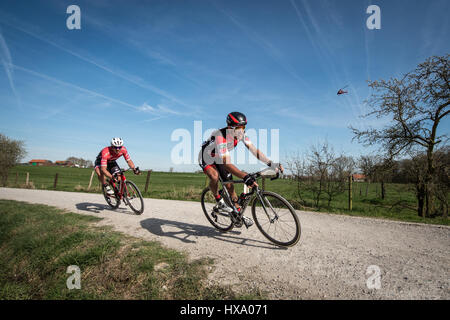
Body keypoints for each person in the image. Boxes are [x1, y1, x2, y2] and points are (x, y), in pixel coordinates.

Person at [198, 112, 283, 227]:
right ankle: (219, 200)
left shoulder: (241, 135)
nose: (241, 131)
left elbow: (254, 150)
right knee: (214, 176)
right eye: (239, 128)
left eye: (243, 127)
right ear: (230, 128)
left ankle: (238, 214)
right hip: (206, 157)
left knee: (230, 186)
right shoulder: (220, 136)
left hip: (219, 157)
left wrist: (271, 163)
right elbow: (227, 164)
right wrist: (244, 176)